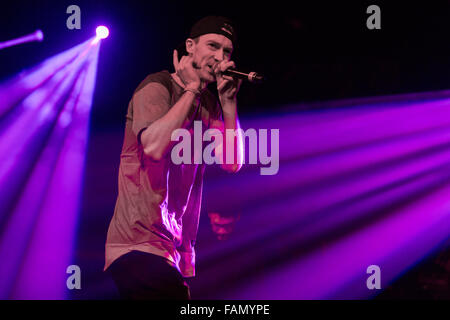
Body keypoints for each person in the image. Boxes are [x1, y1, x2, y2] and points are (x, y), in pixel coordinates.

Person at [104, 16, 244, 300]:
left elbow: (232, 162)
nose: (220, 57)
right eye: (213, 46)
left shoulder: (209, 104)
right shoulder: (157, 86)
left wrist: (228, 103)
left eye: (226, 52)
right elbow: (154, 147)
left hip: (168, 247)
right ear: (190, 47)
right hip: (136, 243)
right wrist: (191, 89)